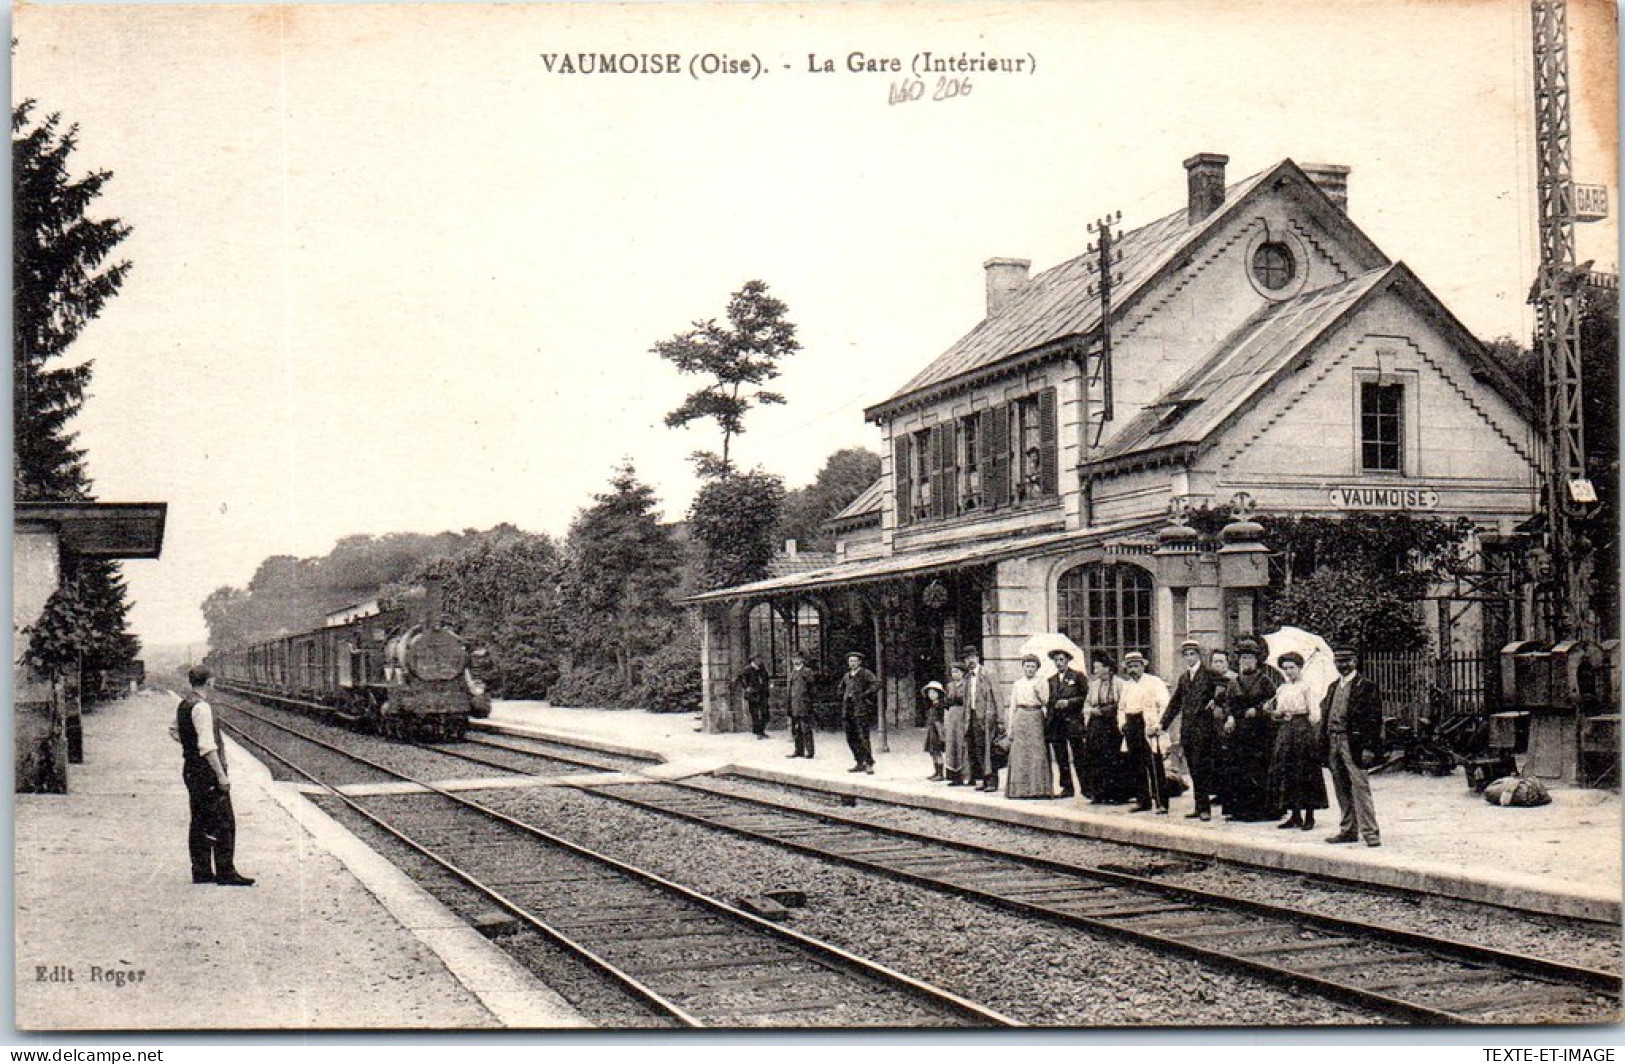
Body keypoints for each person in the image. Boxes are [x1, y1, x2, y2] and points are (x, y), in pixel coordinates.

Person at [172, 666, 254, 886]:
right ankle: (226, 871)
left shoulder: (184, 704)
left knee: (199, 820)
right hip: (205, 772)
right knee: (223, 821)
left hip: (190, 768)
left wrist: (189, 744)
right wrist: (221, 776)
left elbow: (173, 730)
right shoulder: (202, 707)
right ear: (209, 682)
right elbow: (208, 747)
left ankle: (201, 871)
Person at [1152, 640, 1224, 821]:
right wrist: (1162, 724)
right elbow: (1175, 703)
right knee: (1192, 768)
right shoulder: (1184, 678)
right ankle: (1198, 807)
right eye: (1186, 655)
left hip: (1205, 729)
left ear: (1199, 655)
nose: (1190, 657)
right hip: (1188, 729)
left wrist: (1217, 700)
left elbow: (1228, 686)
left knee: (1202, 768)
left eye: (1193, 654)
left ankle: (1205, 808)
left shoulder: (1209, 674)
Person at [1320, 645, 1384, 847]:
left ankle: (1371, 833)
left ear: (1355, 661)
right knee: (1340, 787)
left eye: (1346, 660)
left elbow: (1374, 720)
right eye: (1338, 661)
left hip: (1353, 742)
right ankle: (1348, 829)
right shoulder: (1332, 687)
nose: (1342, 664)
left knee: (1360, 787)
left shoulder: (1366, 686)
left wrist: (1369, 747)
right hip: (1334, 740)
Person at [1267, 652, 1329, 830]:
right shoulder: (1282, 688)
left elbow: (1315, 715)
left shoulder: (1307, 687)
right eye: (1285, 668)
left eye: (1292, 668)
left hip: (1302, 732)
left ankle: (1309, 815)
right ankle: (1294, 815)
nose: (1288, 672)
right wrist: (1275, 713)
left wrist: (1299, 719)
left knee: (1305, 772)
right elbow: (1278, 712)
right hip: (1285, 731)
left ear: (1300, 668)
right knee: (1287, 771)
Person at [1220, 637, 1279, 822]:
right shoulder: (1234, 682)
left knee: (1259, 769)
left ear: (1256, 660)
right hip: (1239, 732)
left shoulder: (1265, 680)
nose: (1246, 661)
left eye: (1250, 658)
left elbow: (1274, 699)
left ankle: (1261, 811)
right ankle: (1240, 810)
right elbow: (1227, 702)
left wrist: (1259, 709)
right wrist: (1229, 716)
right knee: (1239, 769)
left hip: (1260, 732)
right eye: (1243, 658)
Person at [1119, 651, 1171, 813]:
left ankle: (1161, 802)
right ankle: (1143, 800)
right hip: (1131, 723)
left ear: (1143, 666)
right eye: (1130, 667)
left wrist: (1158, 724)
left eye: (1136, 666)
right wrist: (1122, 725)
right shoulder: (1127, 686)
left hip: (1148, 723)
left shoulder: (1154, 682)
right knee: (1136, 763)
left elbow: (1164, 704)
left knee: (1154, 763)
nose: (1133, 669)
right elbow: (1121, 708)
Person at [1081, 651, 1128, 803]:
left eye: (1097, 667)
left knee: (1114, 758)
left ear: (1107, 668)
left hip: (1112, 726)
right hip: (1097, 727)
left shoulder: (1120, 684)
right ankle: (1098, 793)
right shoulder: (1094, 685)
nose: (1095, 671)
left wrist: (1103, 711)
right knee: (1095, 758)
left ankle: (1116, 794)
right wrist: (1090, 711)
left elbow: (1122, 704)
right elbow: (1087, 703)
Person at [1004, 655, 1054, 799]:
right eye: (1027, 666)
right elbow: (1013, 704)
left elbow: (1046, 701)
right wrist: (1010, 726)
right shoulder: (1018, 683)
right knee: (1019, 754)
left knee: (1037, 753)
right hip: (1020, 716)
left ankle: (1038, 789)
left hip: (1035, 716)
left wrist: (1039, 693)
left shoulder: (1042, 681)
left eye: (1032, 666)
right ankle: (1019, 790)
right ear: (1023, 667)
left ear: (1037, 668)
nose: (1030, 669)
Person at [1045, 648, 1089, 798]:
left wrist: (1068, 702)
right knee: (1061, 757)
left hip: (1073, 722)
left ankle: (1086, 787)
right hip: (1057, 724)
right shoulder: (1051, 680)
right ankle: (1067, 787)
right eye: (1056, 660)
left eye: (1062, 660)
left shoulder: (1077, 676)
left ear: (1067, 661)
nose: (1059, 663)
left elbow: (1085, 697)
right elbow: (1049, 701)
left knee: (1079, 755)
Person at [962, 646, 1004, 793]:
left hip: (987, 718)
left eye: (972, 657)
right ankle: (985, 780)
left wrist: (1000, 720)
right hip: (972, 716)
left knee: (990, 750)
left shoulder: (988, 674)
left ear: (978, 658)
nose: (970, 661)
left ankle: (992, 781)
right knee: (977, 749)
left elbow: (998, 698)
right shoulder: (967, 678)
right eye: (967, 658)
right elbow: (967, 700)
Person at [839, 651, 879, 774]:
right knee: (851, 737)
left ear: (859, 662)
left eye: (854, 661)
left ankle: (869, 763)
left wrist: (865, 694)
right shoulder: (846, 676)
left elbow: (877, 684)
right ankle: (859, 761)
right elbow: (841, 688)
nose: (852, 663)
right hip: (848, 709)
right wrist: (844, 695)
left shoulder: (865, 673)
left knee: (863, 736)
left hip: (861, 710)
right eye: (850, 661)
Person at [943, 663, 972, 786]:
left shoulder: (967, 685)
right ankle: (954, 775)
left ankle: (966, 774)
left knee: (963, 744)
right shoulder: (949, 686)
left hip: (962, 715)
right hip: (951, 716)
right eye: (953, 672)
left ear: (963, 673)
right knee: (952, 744)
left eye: (958, 672)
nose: (955, 674)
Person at [786, 651, 815, 759]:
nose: (795, 660)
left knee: (806, 729)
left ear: (802, 660)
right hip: (794, 705)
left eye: (797, 658)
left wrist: (809, 703)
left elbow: (811, 689)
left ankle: (810, 751)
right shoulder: (792, 672)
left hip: (804, 704)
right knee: (796, 729)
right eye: (793, 658)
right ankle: (799, 750)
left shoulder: (807, 672)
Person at [737, 656, 770, 739]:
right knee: (755, 714)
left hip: (763, 694)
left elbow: (766, 678)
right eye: (758, 659)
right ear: (754, 660)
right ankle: (758, 732)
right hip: (753, 695)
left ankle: (761, 730)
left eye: (761, 659)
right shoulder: (748, 669)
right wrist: (746, 687)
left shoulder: (762, 669)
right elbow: (741, 678)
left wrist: (767, 685)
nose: (760, 661)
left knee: (765, 713)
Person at [921, 680, 948, 780]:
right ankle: (936, 771)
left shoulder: (940, 706)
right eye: (930, 693)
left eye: (934, 693)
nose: (931, 695)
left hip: (937, 730)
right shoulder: (931, 705)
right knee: (932, 751)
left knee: (937, 751)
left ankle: (940, 773)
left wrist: (941, 733)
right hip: (931, 730)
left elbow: (940, 720)